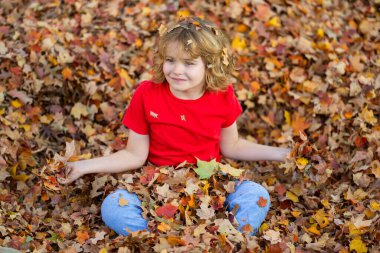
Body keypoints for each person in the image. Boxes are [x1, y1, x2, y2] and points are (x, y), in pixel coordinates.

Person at [61, 17, 290, 236]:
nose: (176, 70)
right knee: (113, 207)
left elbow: (232, 146)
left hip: (210, 185)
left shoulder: (221, 96)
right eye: (170, 60)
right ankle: (161, 240)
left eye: (189, 63)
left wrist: (281, 154)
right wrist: (83, 166)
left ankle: (222, 238)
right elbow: (134, 154)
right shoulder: (147, 94)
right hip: (157, 184)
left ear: (210, 65)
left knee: (256, 195)